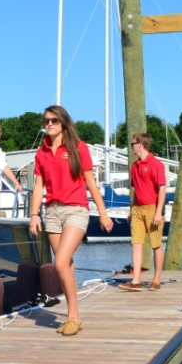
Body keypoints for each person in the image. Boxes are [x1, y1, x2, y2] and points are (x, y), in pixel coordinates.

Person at [27, 105, 112, 336]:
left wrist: (103, 213)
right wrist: (34, 215)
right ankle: (74, 316)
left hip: (76, 209)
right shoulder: (42, 152)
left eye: (54, 120)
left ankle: (73, 317)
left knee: (60, 263)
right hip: (52, 211)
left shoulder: (78, 147)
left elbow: (91, 182)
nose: (50, 124)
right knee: (66, 266)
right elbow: (38, 186)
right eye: (46, 120)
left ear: (63, 122)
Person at [120, 133, 167, 292]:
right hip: (138, 209)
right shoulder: (134, 166)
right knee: (136, 244)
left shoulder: (156, 164)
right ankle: (136, 280)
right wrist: (131, 210)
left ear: (140, 144)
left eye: (132, 144)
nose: (131, 147)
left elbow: (162, 188)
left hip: (152, 208)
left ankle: (156, 280)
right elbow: (136, 190)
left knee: (156, 245)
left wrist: (158, 212)